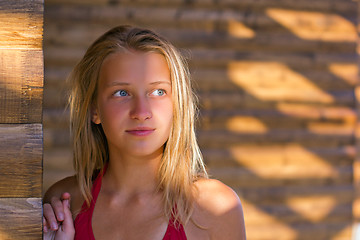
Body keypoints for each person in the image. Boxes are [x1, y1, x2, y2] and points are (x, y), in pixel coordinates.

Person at [43, 25, 246, 240]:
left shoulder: (215, 208)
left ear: (178, 104)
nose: (141, 112)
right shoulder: (64, 204)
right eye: (121, 93)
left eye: (158, 92)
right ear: (94, 109)